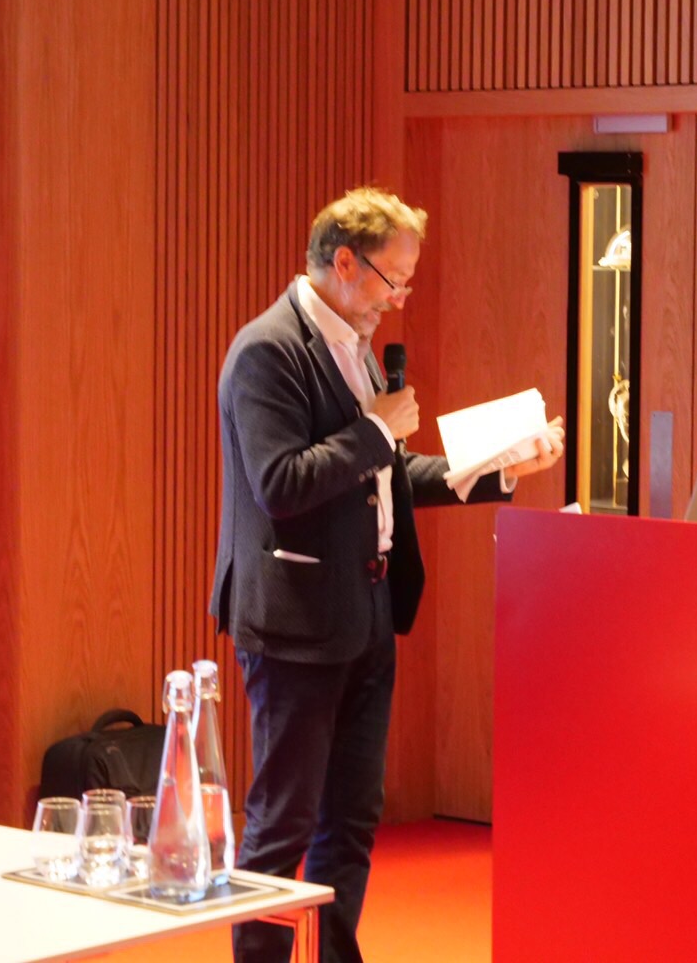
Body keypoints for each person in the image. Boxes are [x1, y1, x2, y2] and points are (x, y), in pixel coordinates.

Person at [210, 186, 564, 963]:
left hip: (367, 613)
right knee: (282, 824)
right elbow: (280, 483)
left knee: (350, 819)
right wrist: (375, 429)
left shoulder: (355, 346)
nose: (398, 299)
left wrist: (499, 467)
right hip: (296, 622)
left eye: (406, 282)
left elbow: (385, 476)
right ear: (344, 262)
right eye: (391, 280)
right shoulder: (267, 351)